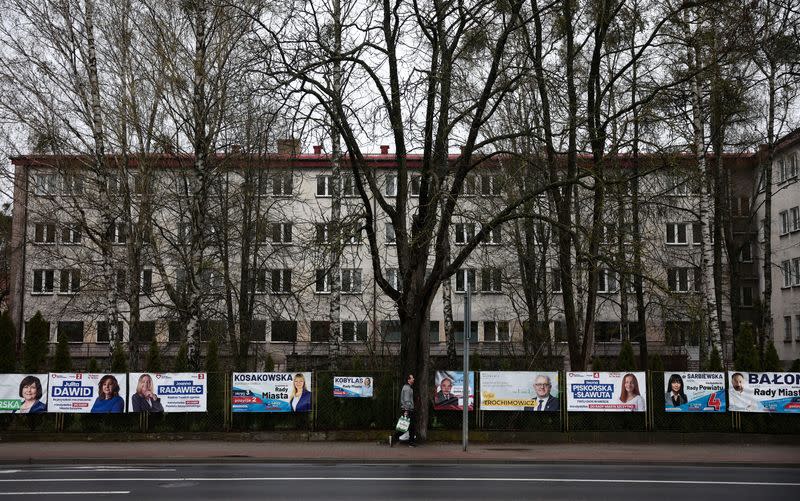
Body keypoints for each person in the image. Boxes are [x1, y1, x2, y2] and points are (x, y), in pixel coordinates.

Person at [391, 374, 415, 447]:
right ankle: (394, 438)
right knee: (405, 427)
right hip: (407, 409)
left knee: (409, 427)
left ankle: (411, 442)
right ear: (408, 380)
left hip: (407, 409)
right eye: (412, 378)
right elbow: (407, 400)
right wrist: (407, 410)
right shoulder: (407, 389)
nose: (413, 379)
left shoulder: (408, 388)